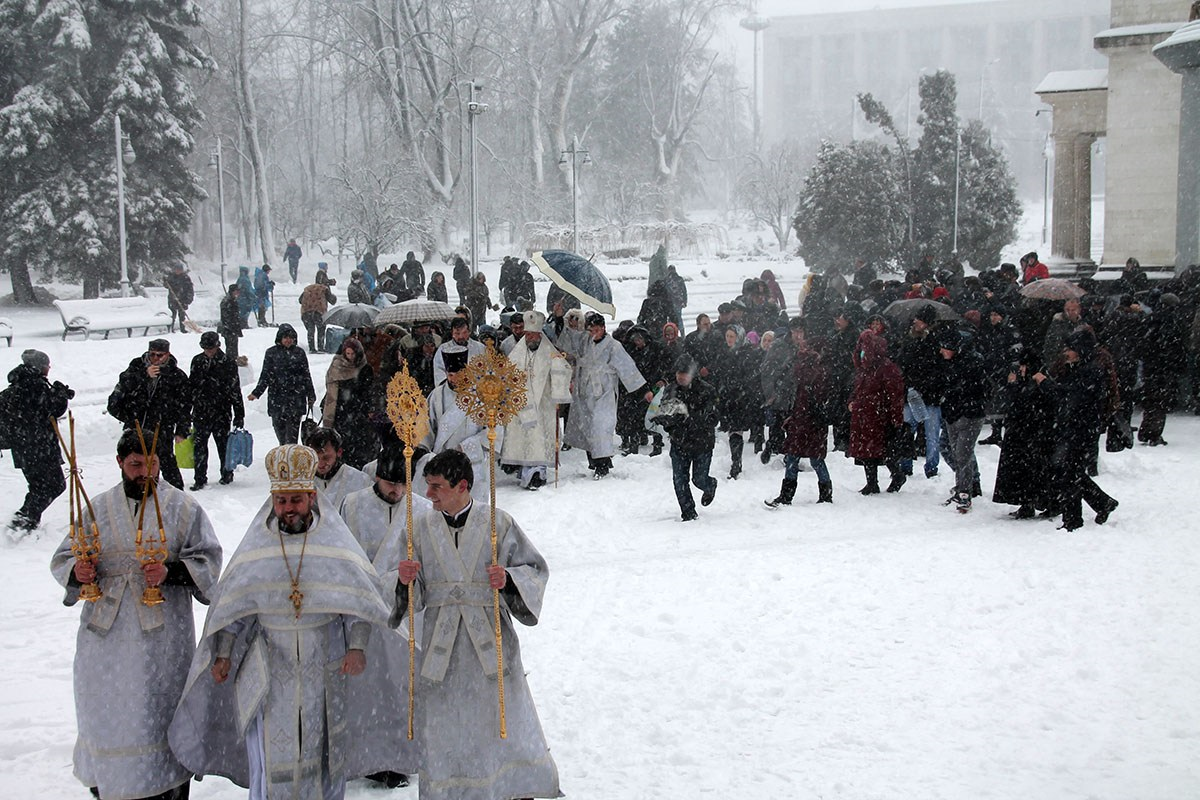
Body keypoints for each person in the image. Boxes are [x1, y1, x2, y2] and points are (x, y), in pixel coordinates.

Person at [169, 443, 391, 800]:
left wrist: (357, 646)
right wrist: (223, 653)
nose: (289, 509)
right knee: (271, 757)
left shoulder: (335, 544)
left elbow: (358, 601)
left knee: (322, 753)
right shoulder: (258, 547)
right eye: (282, 501)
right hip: (271, 670)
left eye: (296, 500)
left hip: (323, 666)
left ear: (311, 498)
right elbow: (235, 606)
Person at [53, 430, 222, 800]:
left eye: (152, 463)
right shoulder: (96, 507)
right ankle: (111, 786)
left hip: (162, 640)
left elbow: (208, 560)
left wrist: (170, 572)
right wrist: (78, 572)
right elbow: (65, 555)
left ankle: (167, 789)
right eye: (135, 465)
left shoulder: (182, 507)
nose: (145, 472)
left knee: (159, 712)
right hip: (106, 640)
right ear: (119, 463)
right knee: (108, 713)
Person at [395, 450, 561, 800]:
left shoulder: (498, 523)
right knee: (447, 723)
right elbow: (411, 594)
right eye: (427, 485)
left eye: (437, 487)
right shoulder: (418, 528)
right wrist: (404, 580)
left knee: (498, 718)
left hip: (490, 641)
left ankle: (510, 786)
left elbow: (534, 569)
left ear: (462, 486)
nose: (428, 495)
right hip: (441, 649)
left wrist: (508, 580)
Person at [338, 444, 430, 789]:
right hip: (365, 611)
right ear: (377, 476)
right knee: (369, 689)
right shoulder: (353, 505)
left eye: (403, 484)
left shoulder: (421, 509)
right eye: (391, 483)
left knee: (405, 686)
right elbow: (346, 557)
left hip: (408, 613)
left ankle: (405, 756)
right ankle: (371, 757)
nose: (397, 491)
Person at [560, 312, 651, 478]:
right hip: (585, 389)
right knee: (587, 426)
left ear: (603, 328)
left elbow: (627, 367)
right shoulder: (585, 342)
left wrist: (643, 389)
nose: (593, 333)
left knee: (601, 426)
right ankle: (596, 461)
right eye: (590, 330)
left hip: (604, 390)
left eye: (596, 330)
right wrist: (566, 323)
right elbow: (569, 343)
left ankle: (601, 465)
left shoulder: (613, 346)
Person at [1045, 329, 1119, 531]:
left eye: (1070, 349)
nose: (1066, 353)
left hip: (1080, 429)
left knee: (1068, 472)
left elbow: (1071, 397)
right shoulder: (1081, 368)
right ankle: (1101, 503)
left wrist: (1046, 384)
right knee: (1071, 471)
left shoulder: (1090, 372)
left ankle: (1073, 519)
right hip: (1076, 428)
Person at [107, 339, 192, 490]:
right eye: (152, 354)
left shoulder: (176, 375)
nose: (155, 359)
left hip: (162, 427)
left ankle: (175, 495)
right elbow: (121, 392)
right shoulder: (136, 368)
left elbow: (184, 406)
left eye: (160, 355)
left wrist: (182, 430)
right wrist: (144, 376)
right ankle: (135, 491)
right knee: (135, 463)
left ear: (167, 355)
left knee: (166, 463)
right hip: (136, 426)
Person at [2, 349, 71, 533]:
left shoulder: (17, 384)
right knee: (55, 485)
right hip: (40, 447)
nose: (49, 368)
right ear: (39, 367)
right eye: (47, 365)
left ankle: (28, 522)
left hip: (23, 449)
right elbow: (52, 409)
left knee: (38, 486)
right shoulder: (35, 385)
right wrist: (61, 395)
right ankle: (24, 520)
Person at [501, 312, 572, 490]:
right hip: (522, 404)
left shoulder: (550, 352)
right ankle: (526, 472)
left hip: (543, 404)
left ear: (540, 334)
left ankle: (538, 474)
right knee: (524, 440)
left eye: (533, 334)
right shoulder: (516, 353)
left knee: (539, 440)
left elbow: (564, 369)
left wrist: (558, 389)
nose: (530, 338)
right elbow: (507, 375)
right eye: (527, 334)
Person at [765, 321, 833, 507]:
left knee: (804, 458)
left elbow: (811, 394)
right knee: (806, 458)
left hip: (807, 420)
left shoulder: (811, 371)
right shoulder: (811, 369)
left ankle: (790, 495)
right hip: (805, 420)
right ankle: (821, 493)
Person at [421, 350, 501, 502]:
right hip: (443, 464)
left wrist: (466, 446)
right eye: (450, 375)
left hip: (473, 462)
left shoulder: (483, 395)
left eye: (459, 374)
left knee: (473, 507)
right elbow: (426, 427)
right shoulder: (436, 396)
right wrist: (423, 450)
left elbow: (494, 430)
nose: (455, 379)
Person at [653, 356, 719, 521]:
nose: (681, 377)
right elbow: (664, 410)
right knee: (679, 480)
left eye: (685, 374)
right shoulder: (670, 390)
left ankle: (709, 485)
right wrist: (665, 421)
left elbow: (713, 417)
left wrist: (689, 418)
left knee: (699, 479)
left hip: (702, 442)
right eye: (679, 373)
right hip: (679, 441)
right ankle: (688, 512)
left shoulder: (707, 390)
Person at [848, 329, 906, 495]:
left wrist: (895, 417)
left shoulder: (886, 369)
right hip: (865, 415)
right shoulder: (865, 370)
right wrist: (852, 401)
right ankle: (872, 482)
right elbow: (858, 390)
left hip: (878, 417)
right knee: (868, 451)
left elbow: (895, 395)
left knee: (881, 449)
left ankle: (896, 475)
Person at [937, 328, 988, 513]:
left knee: (962, 455)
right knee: (957, 453)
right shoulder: (952, 364)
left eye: (944, 348)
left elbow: (977, 390)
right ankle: (963, 488)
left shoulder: (972, 364)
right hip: (954, 414)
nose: (941, 351)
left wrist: (956, 399)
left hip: (968, 415)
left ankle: (965, 491)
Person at [189, 331, 245, 490]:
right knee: (200, 446)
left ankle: (227, 474)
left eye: (211, 348)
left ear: (217, 346)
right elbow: (191, 387)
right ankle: (200, 478)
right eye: (206, 348)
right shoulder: (197, 361)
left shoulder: (227, 362)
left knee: (223, 445)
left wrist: (239, 414)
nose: (208, 351)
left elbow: (235, 389)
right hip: (201, 411)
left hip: (221, 411)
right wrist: (189, 408)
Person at [248, 323, 317, 446]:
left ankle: (290, 456)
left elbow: (306, 376)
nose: (288, 340)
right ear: (280, 338)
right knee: (281, 436)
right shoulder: (271, 353)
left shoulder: (299, 353)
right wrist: (256, 392)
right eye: (285, 337)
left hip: (296, 400)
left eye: (291, 337)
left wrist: (311, 394)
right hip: (277, 400)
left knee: (291, 439)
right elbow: (265, 376)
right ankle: (284, 455)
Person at [321, 337, 378, 468]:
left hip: (358, 413)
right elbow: (331, 390)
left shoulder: (364, 368)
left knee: (358, 447)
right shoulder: (337, 366)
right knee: (341, 444)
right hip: (340, 412)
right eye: (348, 353)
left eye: (353, 354)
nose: (350, 357)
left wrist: (367, 409)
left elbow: (367, 391)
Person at [306, 426, 373, 510]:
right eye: (315, 458)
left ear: (339, 452)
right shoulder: (301, 481)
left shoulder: (360, 481)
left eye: (326, 458)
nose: (320, 464)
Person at [433, 317, 487, 386]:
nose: (461, 336)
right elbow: (439, 371)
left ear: (469, 332)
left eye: (464, 333)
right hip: (452, 388)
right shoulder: (444, 349)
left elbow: (487, 368)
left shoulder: (480, 347)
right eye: (457, 333)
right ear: (452, 333)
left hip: (477, 387)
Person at [299, 269, 338, 354]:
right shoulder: (324, 289)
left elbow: (300, 300)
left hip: (306, 312)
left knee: (310, 329)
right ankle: (320, 347)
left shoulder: (308, 288)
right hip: (318, 312)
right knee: (321, 329)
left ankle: (312, 347)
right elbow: (332, 301)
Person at [164, 263, 195, 333]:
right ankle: (170, 328)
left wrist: (188, 299)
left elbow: (190, 289)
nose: (177, 271)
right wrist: (165, 282)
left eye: (179, 270)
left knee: (182, 315)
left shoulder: (185, 278)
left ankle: (182, 329)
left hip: (183, 299)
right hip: (173, 298)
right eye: (176, 270)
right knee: (172, 314)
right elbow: (167, 285)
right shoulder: (171, 277)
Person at [218, 283, 244, 361]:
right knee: (230, 347)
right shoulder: (227, 301)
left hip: (233, 328)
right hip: (229, 329)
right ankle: (230, 361)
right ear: (232, 291)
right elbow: (226, 317)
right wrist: (232, 326)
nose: (238, 293)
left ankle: (234, 359)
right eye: (237, 291)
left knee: (234, 347)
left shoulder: (233, 300)